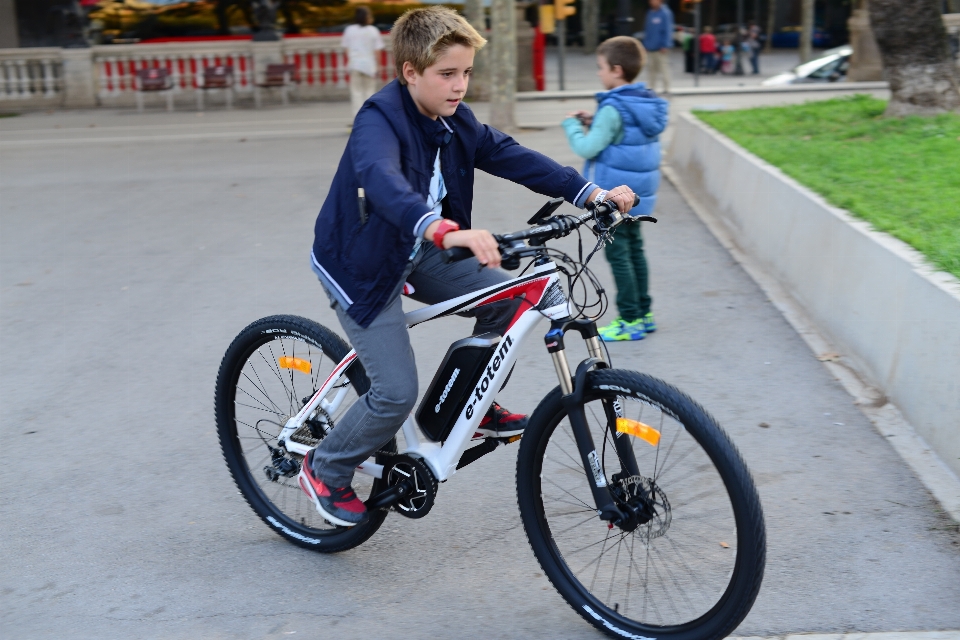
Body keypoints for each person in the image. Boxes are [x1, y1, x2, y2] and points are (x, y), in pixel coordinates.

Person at [299, 6, 638, 527]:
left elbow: (511, 155)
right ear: (410, 72)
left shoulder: (456, 120)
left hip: (423, 247)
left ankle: (469, 407)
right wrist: (442, 229)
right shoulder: (379, 119)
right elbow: (382, 180)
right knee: (393, 393)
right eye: (447, 74)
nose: (460, 86)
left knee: (513, 302)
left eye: (466, 72)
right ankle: (326, 467)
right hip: (362, 263)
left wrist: (589, 192)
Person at [562, 36, 668, 342]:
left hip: (614, 195)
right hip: (639, 193)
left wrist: (571, 126)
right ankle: (644, 314)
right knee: (635, 251)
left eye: (601, 67)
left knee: (619, 255)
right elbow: (626, 134)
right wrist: (596, 120)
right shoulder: (643, 102)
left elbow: (588, 147)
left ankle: (629, 319)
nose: (599, 73)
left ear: (617, 70)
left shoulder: (613, 108)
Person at [342, 6, 384, 121]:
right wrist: (379, 66)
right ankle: (370, 118)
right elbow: (377, 50)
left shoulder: (349, 30)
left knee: (356, 93)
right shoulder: (373, 30)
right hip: (369, 66)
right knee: (369, 92)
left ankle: (358, 119)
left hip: (354, 64)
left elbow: (346, 49)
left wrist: (352, 60)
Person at [643, 0, 674, 94]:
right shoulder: (650, 13)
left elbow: (668, 30)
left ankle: (667, 88)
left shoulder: (665, 13)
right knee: (651, 69)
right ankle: (651, 88)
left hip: (661, 48)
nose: (651, 2)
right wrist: (646, 44)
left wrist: (666, 45)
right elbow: (647, 30)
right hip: (651, 47)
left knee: (664, 68)